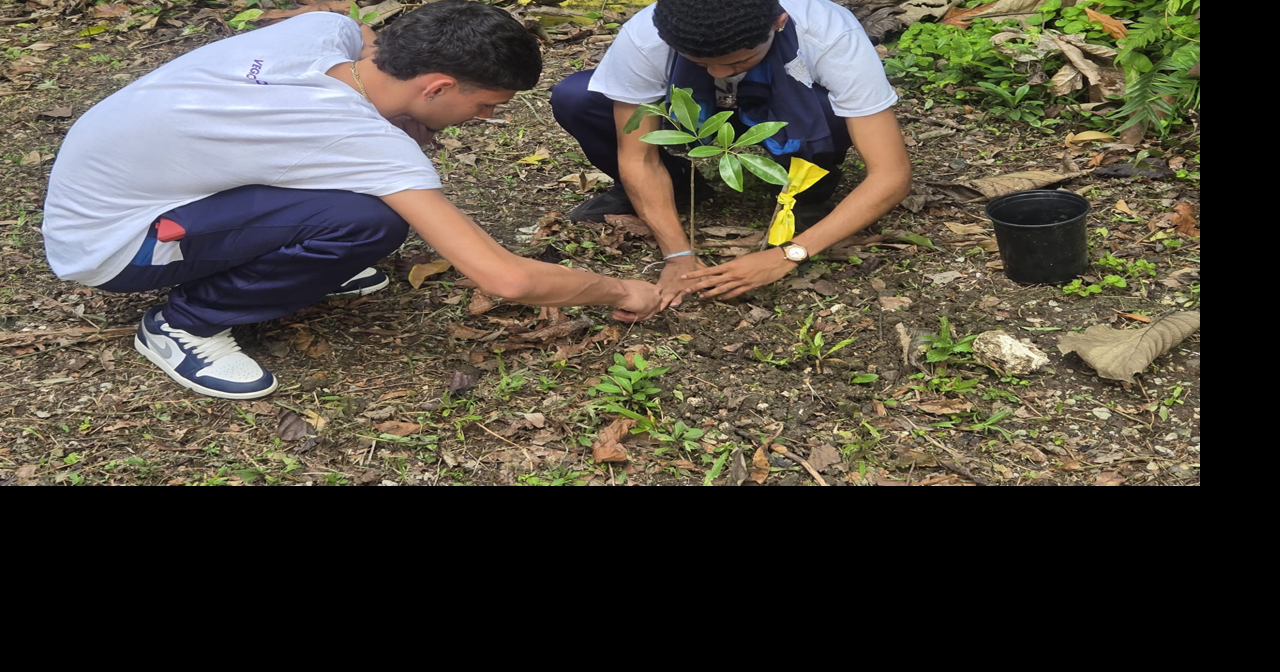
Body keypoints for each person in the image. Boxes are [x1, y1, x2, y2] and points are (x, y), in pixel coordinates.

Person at [41, 1, 661, 401]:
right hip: (114, 247)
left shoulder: (322, 34)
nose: (484, 118)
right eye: (484, 105)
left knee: (364, 209)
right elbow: (505, 278)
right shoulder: (352, 138)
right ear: (437, 86)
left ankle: (294, 260)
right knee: (372, 220)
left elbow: (345, 19)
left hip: (121, 192)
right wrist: (623, 291)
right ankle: (183, 324)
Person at [550, 0, 912, 307]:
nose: (718, 72)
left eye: (739, 61)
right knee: (578, 98)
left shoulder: (829, 33)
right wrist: (677, 255)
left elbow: (891, 174)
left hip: (785, 108)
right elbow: (638, 157)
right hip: (696, 111)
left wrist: (789, 254)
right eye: (700, 63)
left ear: (779, 23)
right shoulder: (649, 34)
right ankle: (676, 184)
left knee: (833, 108)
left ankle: (807, 190)